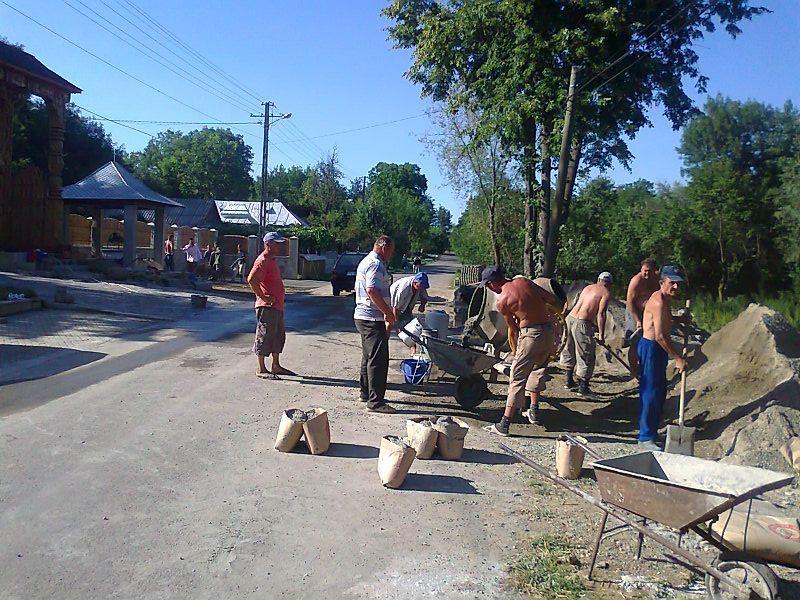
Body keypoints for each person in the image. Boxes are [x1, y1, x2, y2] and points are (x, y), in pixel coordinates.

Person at [482, 267, 563, 436]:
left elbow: (513, 328)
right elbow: (552, 299)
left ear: (492, 284)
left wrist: (517, 348)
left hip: (531, 335)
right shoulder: (525, 281)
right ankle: (533, 409)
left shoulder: (502, 301)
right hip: (548, 333)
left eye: (488, 286)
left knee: (517, 377)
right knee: (537, 369)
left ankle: (504, 425)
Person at [637, 265, 688, 450]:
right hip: (651, 347)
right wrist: (678, 358)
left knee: (659, 392)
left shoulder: (666, 300)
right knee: (650, 393)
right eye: (671, 283)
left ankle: (651, 431)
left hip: (657, 349)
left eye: (678, 284)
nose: (675, 287)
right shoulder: (658, 301)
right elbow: (659, 335)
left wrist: (678, 320)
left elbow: (663, 320)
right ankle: (645, 438)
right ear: (662, 283)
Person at [354, 235, 397, 414]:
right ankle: (376, 402)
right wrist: (388, 314)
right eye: (392, 251)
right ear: (384, 247)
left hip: (364, 317)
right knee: (378, 361)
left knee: (369, 357)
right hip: (371, 319)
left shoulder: (369, 261)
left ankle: (366, 393)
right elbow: (371, 290)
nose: (392, 255)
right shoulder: (375, 264)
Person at [248, 232, 295, 379]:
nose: (280, 246)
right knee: (265, 335)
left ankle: (275, 365)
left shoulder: (271, 259)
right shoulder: (262, 260)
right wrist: (264, 297)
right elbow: (251, 279)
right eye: (277, 243)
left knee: (277, 336)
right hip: (267, 306)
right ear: (269, 244)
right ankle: (261, 368)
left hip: (276, 306)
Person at [560, 271, 613, 396]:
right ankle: (583, 388)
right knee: (586, 354)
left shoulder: (587, 288)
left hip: (570, 319)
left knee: (569, 349)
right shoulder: (605, 293)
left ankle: (568, 381)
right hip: (581, 323)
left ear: (598, 280)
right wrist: (601, 334)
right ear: (609, 283)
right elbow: (601, 314)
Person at [625, 258, 660, 374]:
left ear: (655, 270)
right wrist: (637, 320)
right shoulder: (636, 281)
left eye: (649, 271)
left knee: (651, 338)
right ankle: (634, 370)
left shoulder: (657, 280)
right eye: (644, 270)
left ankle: (647, 366)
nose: (646, 273)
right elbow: (630, 302)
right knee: (635, 341)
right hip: (634, 310)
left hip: (649, 312)